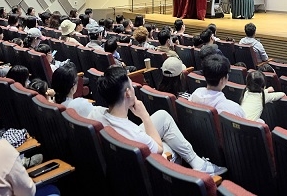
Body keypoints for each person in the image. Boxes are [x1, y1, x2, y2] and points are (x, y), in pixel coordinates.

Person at [88, 65, 226, 175]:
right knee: (170, 143)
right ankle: (198, 166)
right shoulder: (136, 134)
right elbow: (159, 150)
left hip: (118, 145)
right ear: (128, 93)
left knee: (163, 116)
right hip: (141, 163)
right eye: (131, 85)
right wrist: (145, 116)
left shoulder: (95, 112)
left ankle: (197, 163)